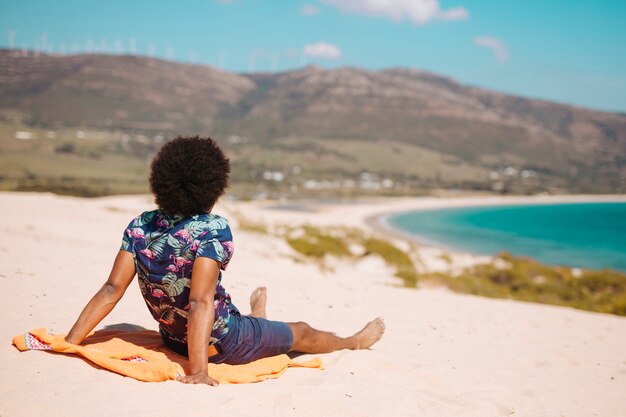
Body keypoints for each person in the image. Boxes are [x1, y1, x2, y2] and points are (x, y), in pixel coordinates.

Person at [65, 136, 385, 386]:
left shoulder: (140, 226)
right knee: (300, 331)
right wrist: (199, 371)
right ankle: (354, 341)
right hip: (223, 345)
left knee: (253, 323)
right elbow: (201, 302)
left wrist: (69, 342)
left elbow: (111, 288)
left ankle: (258, 316)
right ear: (213, 186)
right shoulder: (211, 229)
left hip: (173, 338)